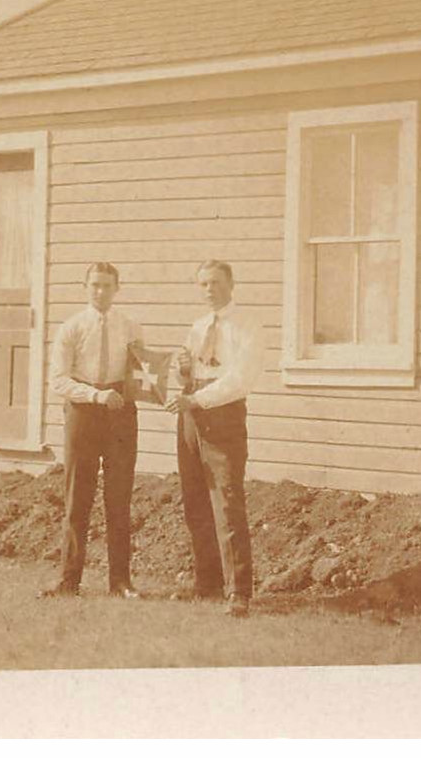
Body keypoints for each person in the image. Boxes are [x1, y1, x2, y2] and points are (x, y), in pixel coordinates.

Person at [165, 259, 264, 616]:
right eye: (204, 284)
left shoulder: (247, 325)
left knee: (227, 500)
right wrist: (183, 372)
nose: (210, 289)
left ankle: (238, 591)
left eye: (217, 282)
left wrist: (196, 398)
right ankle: (206, 584)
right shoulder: (198, 326)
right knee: (195, 499)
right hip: (191, 414)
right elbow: (188, 377)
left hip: (223, 413)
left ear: (232, 283)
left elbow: (241, 379)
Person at [42, 261, 143, 599]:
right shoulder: (71, 328)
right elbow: (58, 379)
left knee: (119, 498)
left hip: (119, 414)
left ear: (117, 288)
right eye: (95, 285)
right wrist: (96, 395)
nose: (101, 292)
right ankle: (69, 580)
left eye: (107, 286)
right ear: (85, 288)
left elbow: (142, 374)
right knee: (78, 497)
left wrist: (144, 388)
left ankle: (120, 582)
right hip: (83, 411)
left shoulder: (130, 327)